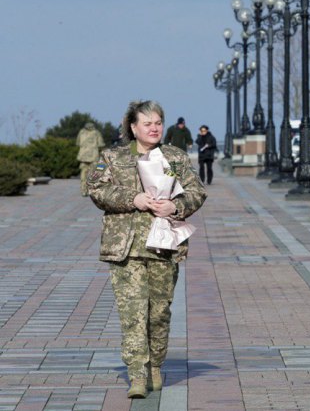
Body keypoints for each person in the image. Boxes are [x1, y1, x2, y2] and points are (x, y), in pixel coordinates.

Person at [87, 101, 206, 399]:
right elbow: (97, 189)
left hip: (163, 247)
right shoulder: (113, 157)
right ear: (133, 127)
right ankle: (137, 375)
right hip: (126, 249)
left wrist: (176, 205)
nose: (154, 128)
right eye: (147, 123)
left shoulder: (175, 157)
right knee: (133, 314)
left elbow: (196, 191)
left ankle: (156, 365)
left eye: (158, 123)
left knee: (159, 313)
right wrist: (133, 199)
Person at [76, 122, 105, 197]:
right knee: (94, 174)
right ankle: (91, 190)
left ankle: (83, 190)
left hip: (83, 156)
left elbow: (78, 143)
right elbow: (101, 144)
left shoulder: (81, 132)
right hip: (93, 156)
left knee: (83, 174)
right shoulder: (96, 132)